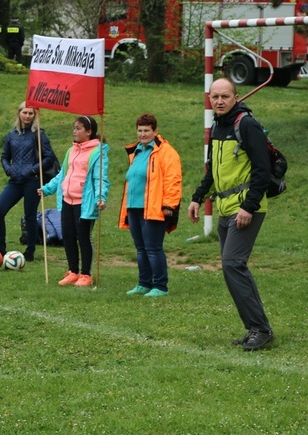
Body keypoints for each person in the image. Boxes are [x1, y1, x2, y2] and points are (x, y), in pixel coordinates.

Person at [188, 78, 275, 351]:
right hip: (226, 208)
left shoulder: (246, 125)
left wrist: (248, 207)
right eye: (215, 97)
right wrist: (197, 197)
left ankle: (260, 329)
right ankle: (255, 327)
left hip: (246, 207)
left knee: (232, 264)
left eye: (225, 96)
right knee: (232, 269)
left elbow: (262, 169)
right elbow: (213, 169)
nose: (219, 101)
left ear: (235, 97)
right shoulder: (217, 126)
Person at [41, 116, 110, 287]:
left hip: (84, 202)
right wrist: (46, 188)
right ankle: (73, 272)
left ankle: (86, 274)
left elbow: (100, 178)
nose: (74, 131)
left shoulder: (98, 153)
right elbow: (62, 174)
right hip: (67, 200)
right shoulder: (71, 151)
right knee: (68, 236)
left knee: (83, 237)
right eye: (74, 128)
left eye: (78, 128)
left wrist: (101, 197)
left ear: (89, 132)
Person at [118, 113, 182, 297]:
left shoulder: (166, 151)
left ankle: (160, 286)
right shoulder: (136, 151)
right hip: (134, 206)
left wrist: (169, 204)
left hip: (153, 207)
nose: (143, 134)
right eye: (140, 130)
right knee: (140, 248)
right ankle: (144, 283)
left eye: (147, 130)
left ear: (155, 131)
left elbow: (173, 179)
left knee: (153, 248)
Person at [0, 102, 55, 262]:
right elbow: (4, 156)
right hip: (15, 180)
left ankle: (30, 251)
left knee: (30, 215)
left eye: (31, 113)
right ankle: (0, 247)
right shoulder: (12, 134)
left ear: (35, 116)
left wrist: (33, 169)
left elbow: (49, 158)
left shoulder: (39, 134)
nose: (27, 116)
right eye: (25, 113)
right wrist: (8, 169)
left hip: (33, 180)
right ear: (19, 113)